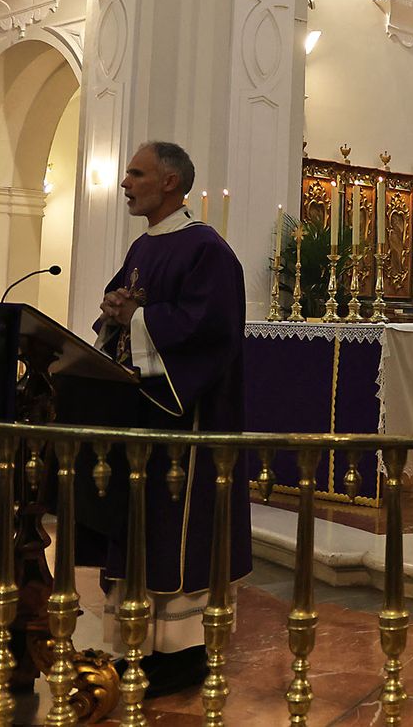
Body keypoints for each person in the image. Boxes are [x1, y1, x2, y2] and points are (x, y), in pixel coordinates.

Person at [69, 141, 252, 699]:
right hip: (140, 419)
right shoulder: (144, 246)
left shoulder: (207, 251)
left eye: (136, 173)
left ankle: (181, 653)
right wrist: (115, 311)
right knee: (138, 527)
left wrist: (140, 318)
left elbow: (210, 328)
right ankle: (136, 644)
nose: (125, 182)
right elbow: (122, 309)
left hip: (183, 424)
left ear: (169, 182)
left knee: (175, 531)